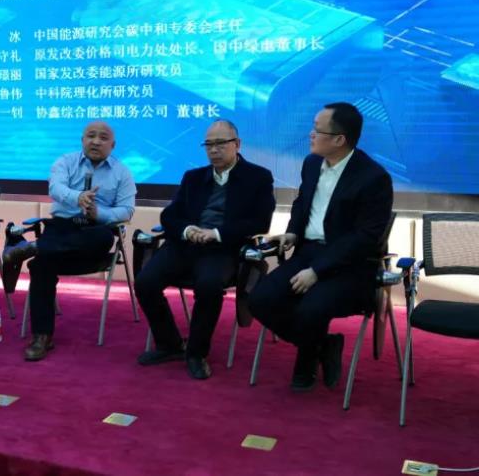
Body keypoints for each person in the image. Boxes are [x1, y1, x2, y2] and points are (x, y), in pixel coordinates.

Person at [248, 102, 393, 391]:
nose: (310, 135)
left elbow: (365, 238)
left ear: (339, 139)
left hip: (351, 265)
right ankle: (324, 345)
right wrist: (292, 232)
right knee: (260, 299)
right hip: (309, 252)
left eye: (317, 129)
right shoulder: (312, 163)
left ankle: (305, 366)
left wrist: (317, 270)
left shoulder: (374, 178)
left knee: (311, 308)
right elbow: (303, 202)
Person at [134, 120, 275, 379]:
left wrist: (216, 234)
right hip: (185, 245)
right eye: (208, 145)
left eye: (220, 143)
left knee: (209, 285)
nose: (213, 150)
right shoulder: (193, 177)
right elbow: (169, 216)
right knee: (145, 282)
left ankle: (196, 353)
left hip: (224, 248)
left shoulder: (259, 177)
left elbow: (260, 222)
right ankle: (169, 344)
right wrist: (188, 230)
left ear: (237, 144)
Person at [3, 121, 136, 361]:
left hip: (94, 235)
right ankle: (42, 336)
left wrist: (99, 213)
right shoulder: (65, 162)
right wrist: (78, 198)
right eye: (91, 136)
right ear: (82, 140)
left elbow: (127, 210)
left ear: (113, 145)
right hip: (62, 229)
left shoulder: (122, 172)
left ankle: (33, 248)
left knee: (103, 236)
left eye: (103, 137)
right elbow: (55, 188)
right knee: (40, 266)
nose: (96, 141)